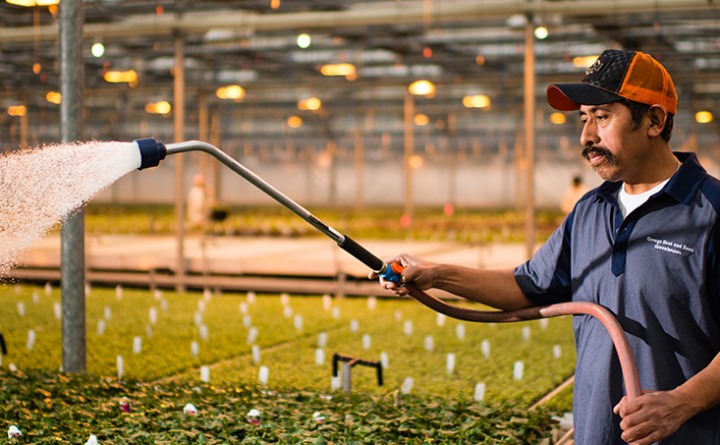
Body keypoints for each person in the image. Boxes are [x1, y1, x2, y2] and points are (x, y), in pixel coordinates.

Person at [371, 49, 720, 444]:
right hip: (596, 433)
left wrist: (682, 402)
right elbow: (527, 287)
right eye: (583, 119)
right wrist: (435, 273)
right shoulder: (590, 210)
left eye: (602, 117)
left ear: (654, 120)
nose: (586, 136)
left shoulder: (710, 212)